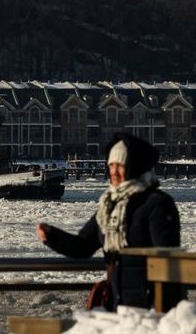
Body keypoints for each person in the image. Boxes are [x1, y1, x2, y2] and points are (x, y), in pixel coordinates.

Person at [37, 133, 180, 310]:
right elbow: (83, 246)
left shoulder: (158, 204)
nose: (113, 171)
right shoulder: (109, 206)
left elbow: (168, 259)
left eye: (120, 165)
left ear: (134, 167)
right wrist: (52, 236)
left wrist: (160, 307)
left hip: (150, 306)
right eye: (111, 165)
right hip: (117, 303)